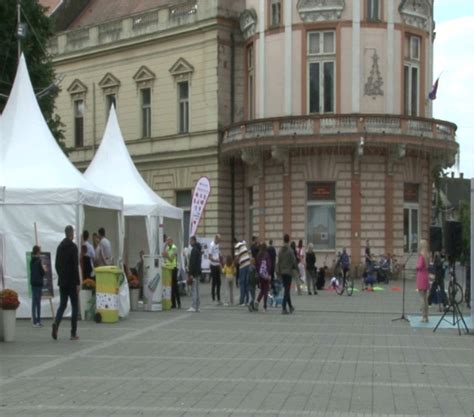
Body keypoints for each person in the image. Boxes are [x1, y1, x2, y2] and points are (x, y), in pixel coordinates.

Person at [52, 225, 80, 341]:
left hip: (62, 281)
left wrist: (61, 276)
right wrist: (77, 282)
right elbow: (75, 266)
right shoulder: (73, 247)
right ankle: (73, 333)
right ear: (71, 234)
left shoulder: (60, 247)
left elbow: (56, 265)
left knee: (62, 305)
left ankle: (56, 324)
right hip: (72, 282)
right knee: (74, 306)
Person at [277, 234, 298, 314]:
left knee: (287, 290)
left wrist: (278, 272)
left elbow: (278, 262)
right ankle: (283, 308)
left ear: (283, 240)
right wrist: (296, 268)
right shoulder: (290, 250)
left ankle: (290, 307)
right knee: (287, 290)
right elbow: (294, 260)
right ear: (288, 240)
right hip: (288, 272)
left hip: (282, 272)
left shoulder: (280, 250)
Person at [162, 236, 180, 309]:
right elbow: (163, 254)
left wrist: (166, 256)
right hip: (168, 268)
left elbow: (171, 259)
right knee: (170, 286)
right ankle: (173, 303)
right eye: (166, 241)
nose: (167, 242)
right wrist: (165, 246)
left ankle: (177, 302)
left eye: (168, 241)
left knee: (174, 286)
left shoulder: (174, 248)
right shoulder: (167, 248)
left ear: (171, 241)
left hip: (174, 268)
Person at [30, 245, 45, 327]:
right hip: (38, 283)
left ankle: (34, 320)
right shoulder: (39, 261)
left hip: (33, 283)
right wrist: (44, 269)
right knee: (38, 302)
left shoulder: (31, 261)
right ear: (38, 252)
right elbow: (42, 272)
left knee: (34, 302)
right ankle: (38, 321)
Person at [416, 239, 430, 322]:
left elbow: (419, 266)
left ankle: (423, 316)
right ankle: (426, 316)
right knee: (425, 297)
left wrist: (416, 265)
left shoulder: (421, 256)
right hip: (426, 276)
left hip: (421, 276)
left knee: (421, 297)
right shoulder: (427, 255)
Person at [256, 242, 272, 312]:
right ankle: (264, 306)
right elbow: (269, 265)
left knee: (262, 289)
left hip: (260, 275)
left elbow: (257, 265)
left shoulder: (258, 255)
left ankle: (257, 301)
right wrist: (269, 274)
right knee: (266, 290)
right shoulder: (266, 255)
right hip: (265, 275)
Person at [187, 236, 202, 312]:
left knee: (194, 290)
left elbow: (192, 263)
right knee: (197, 290)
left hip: (194, 273)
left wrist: (191, 274)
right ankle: (198, 306)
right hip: (198, 272)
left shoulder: (194, 250)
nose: (190, 243)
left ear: (193, 241)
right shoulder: (199, 249)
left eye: (190, 241)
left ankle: (193, 306)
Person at [235, 239, 251, 305]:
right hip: (248, 264)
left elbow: (237, 257)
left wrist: (233, 264)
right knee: (246, 283)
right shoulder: (243, 245)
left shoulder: (237, 246)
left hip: (243, 266)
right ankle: (247, 300)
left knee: (242, 283)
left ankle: (241, 300)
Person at [209, 234, 223, 305]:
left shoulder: (217, 245)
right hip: (213, 266)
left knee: (219, 283)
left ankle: (219, 299)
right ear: (216, 239)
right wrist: (216, 260)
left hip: (217, 265)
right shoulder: (211, 245)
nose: (219, 242)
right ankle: (213, 299)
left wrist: (220, 256)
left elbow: (218, 253)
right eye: (219, 240)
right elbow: (210, 257)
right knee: (214, 283)